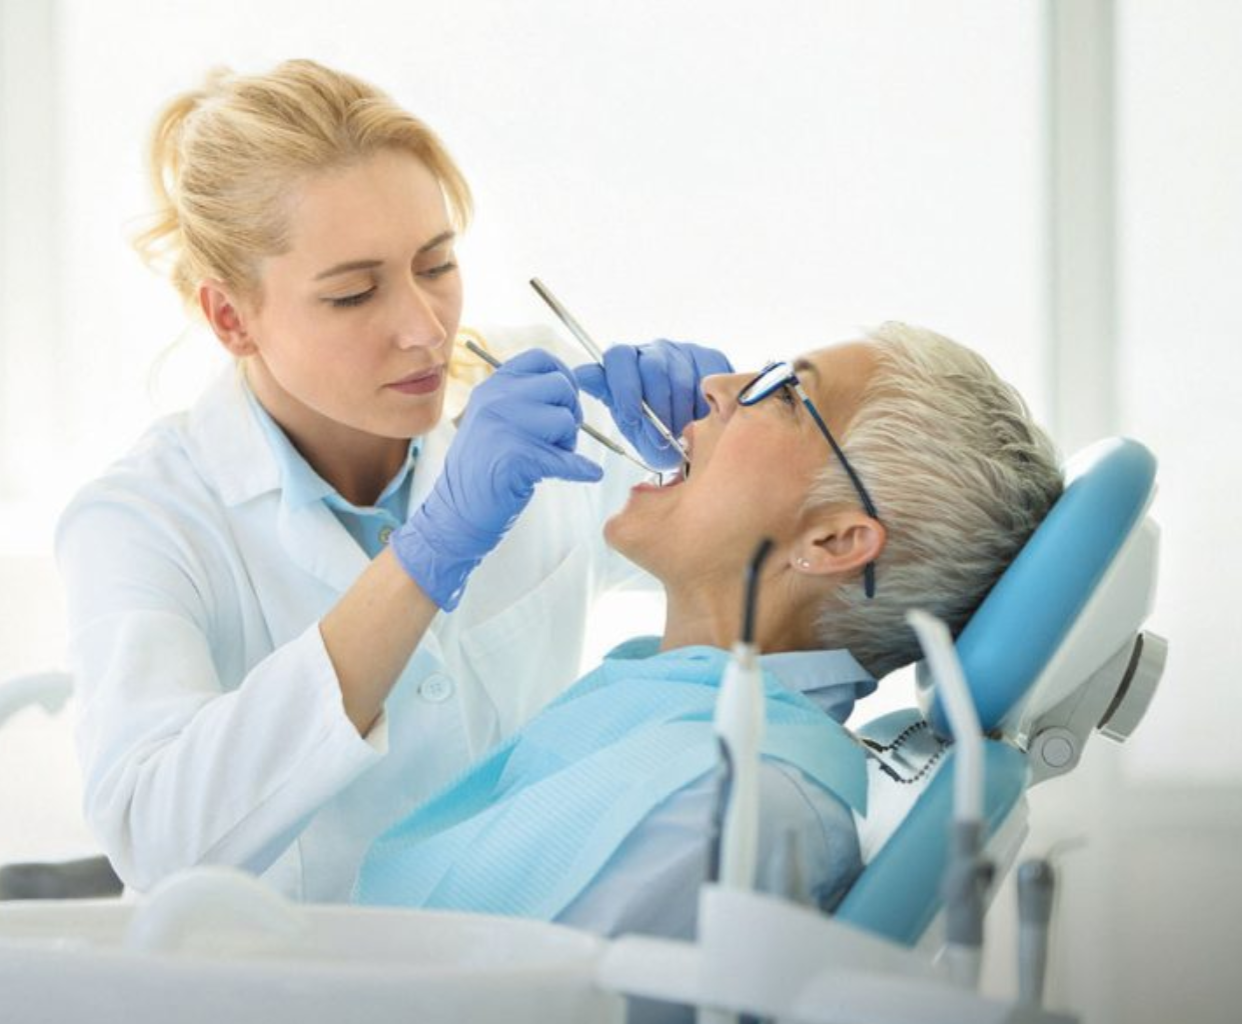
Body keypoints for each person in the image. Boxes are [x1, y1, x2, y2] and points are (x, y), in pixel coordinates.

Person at [56, 59, 730, 901]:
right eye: (352, 294)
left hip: (514, 960)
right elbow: (157, 839)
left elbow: (772, 560)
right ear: (232, 318)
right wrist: (428, 554)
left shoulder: (530, 401)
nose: (424, 329)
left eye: (436, 265)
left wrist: (718, 444)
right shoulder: (146, 518)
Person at [354, 324, 1062, 980]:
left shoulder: (729, 804)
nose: (717, 387)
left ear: (834, 542)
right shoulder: (676, 713)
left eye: (783, 394)